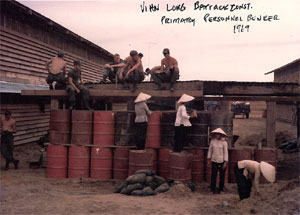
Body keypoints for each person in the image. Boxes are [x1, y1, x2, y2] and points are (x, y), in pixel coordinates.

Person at [207, 128, 229, 194]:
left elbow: (226, 152)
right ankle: (212, 189)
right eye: (216, 134)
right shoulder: (212, 141)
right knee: (213, 175)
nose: (217, 135)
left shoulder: (224, 143)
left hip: (222, 161)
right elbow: (210, 150)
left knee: (222, 176)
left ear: (221, 135)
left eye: (218, 134)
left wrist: (225, 162)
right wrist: (209, 159)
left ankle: (221, 189)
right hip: (214, 160)